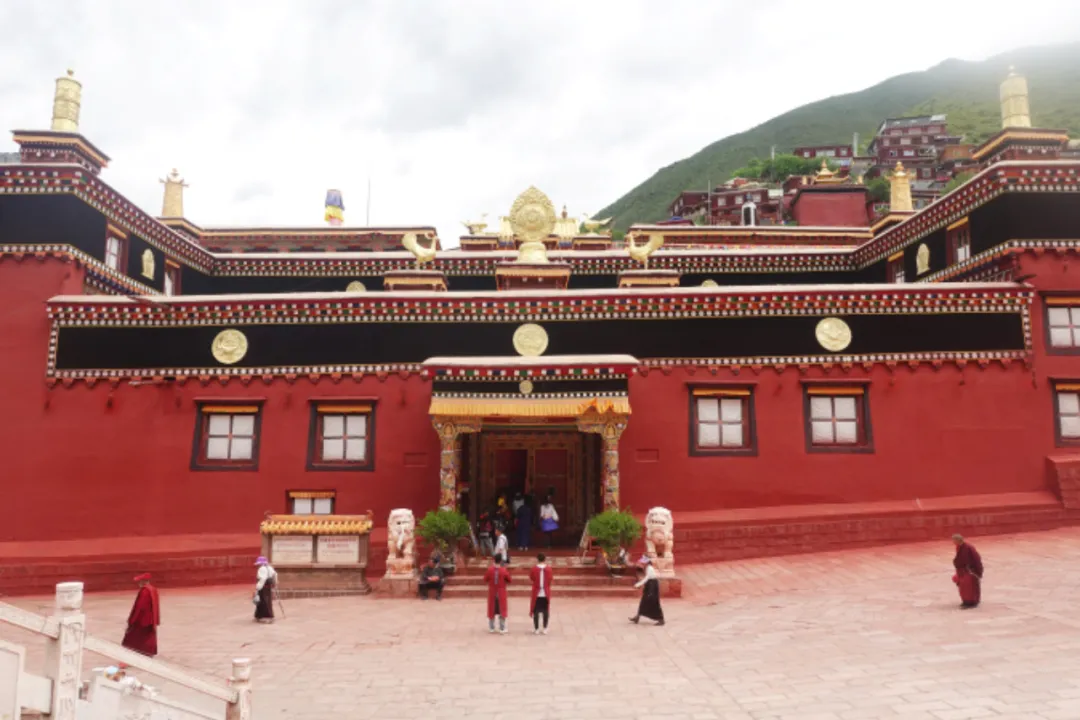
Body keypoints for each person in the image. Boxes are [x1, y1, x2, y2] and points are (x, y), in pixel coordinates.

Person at [121, 573, 160, 657]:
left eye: (139, 581)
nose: (138, 583)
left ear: (143, 581)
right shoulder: (153, 589)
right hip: (151, 618)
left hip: (143, 619)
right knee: (149, 635)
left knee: (134, 635)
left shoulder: (145, 591)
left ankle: (137, 651)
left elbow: (140, 607)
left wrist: (132, 620)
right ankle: (148, 651)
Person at [630, 556, 664, 626]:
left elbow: (646, 578)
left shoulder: (650, 568)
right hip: (649, 585)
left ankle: (661, 619)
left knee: (653, 602)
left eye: (643, 562)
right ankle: (637, 617)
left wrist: (638, 584)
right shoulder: (647, 568)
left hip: (652, 586)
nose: (642, 564)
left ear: (647, 563)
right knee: (643, 601)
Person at [951, 534, 983, 609]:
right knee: (963, 588)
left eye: (954, 540)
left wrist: (975, 570)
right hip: (962, 571)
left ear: (958, 540)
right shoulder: (960, 547)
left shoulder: (968, 547)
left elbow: (976, 559)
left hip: (969, 571)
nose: (953, 542)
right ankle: (965, 601)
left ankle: (972, 602)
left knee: (970, 588)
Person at [484, 554, 512, 634]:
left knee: (491, 609)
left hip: (492, 592)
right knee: (502, 609)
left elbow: (485, 579)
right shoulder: (503, 570)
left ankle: (491, 627)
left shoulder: (490, 570)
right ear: (501, 561)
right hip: (501, 592)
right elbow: (509, 580)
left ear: (494, 560)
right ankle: (502, 628)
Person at [529, 553, 553, 635]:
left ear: (537, 559)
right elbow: (550, 579)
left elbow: (532, 577)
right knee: (545, 611)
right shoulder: (549, 569)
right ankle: (545, 628)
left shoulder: (534, 569)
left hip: (537, 592)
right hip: (545, 593)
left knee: (536, 611)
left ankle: (536, 629)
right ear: (544, 559)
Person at [254, 556, 277, 623]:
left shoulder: (261, 569)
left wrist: (257, 588)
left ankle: (266, 616)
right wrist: (275, 583)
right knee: (267, 600)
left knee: (263, 601)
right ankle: (259, 615)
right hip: (268, 586)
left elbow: (262, 579)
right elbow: (275, 574)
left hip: (263, 587)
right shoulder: (269, 567)